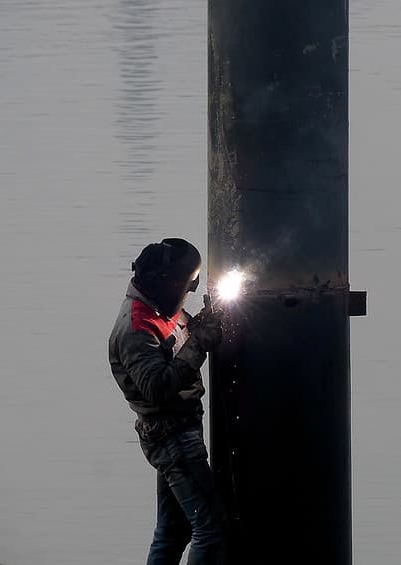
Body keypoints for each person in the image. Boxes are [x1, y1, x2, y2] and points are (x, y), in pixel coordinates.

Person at [108, 238, 225, 564]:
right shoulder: (136, 327)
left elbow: (177, 336)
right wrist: (199, 344)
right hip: (172, 438)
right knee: (211, 530)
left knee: (174, 530)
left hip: (175, 432)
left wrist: (197, 327)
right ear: (168, 283)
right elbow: (156, 387)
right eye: (187, 286)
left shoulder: (158, 307)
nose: (188, 293)